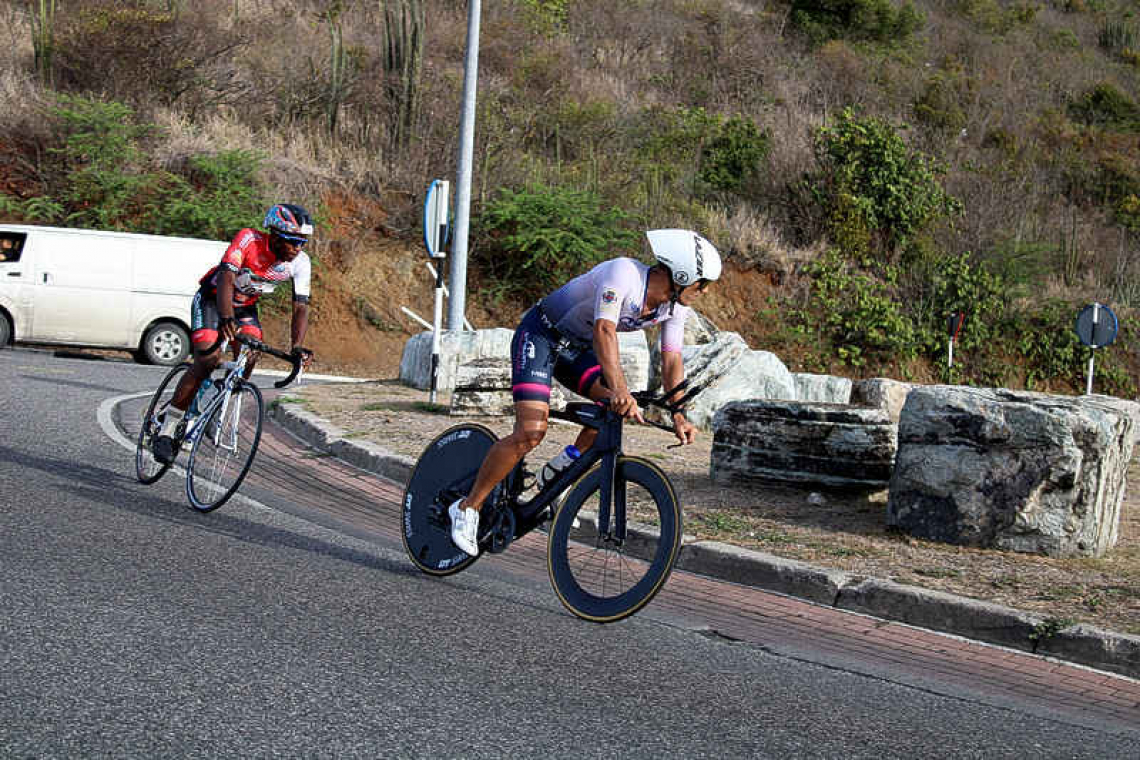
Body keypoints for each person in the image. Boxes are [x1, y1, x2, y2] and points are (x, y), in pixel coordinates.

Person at [449, 228, 722, 556]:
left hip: (576, 349)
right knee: (530, 432)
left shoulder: (675, 308)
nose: (704, 291)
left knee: (611, 412)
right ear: (682, 275)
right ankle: (467, 508)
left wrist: (679, 413)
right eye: (702, 283)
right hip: (541, 336)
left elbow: (672, 358)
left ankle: (561, 467)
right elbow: (604, 330)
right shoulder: (624, 274)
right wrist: (620, 389)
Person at [151, 203, 316, 464]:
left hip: (245, 308)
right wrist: (226, 318)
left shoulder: (300, 263)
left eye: (302, 242)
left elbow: (301, 306)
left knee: (252, 353)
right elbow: (227, 277)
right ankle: (167, 428)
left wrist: (297, 346)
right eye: (292, 241)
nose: (298, 248)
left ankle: (220, 403)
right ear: (273, 235)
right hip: (213, 300)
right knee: (208, 358)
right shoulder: (248, 239)